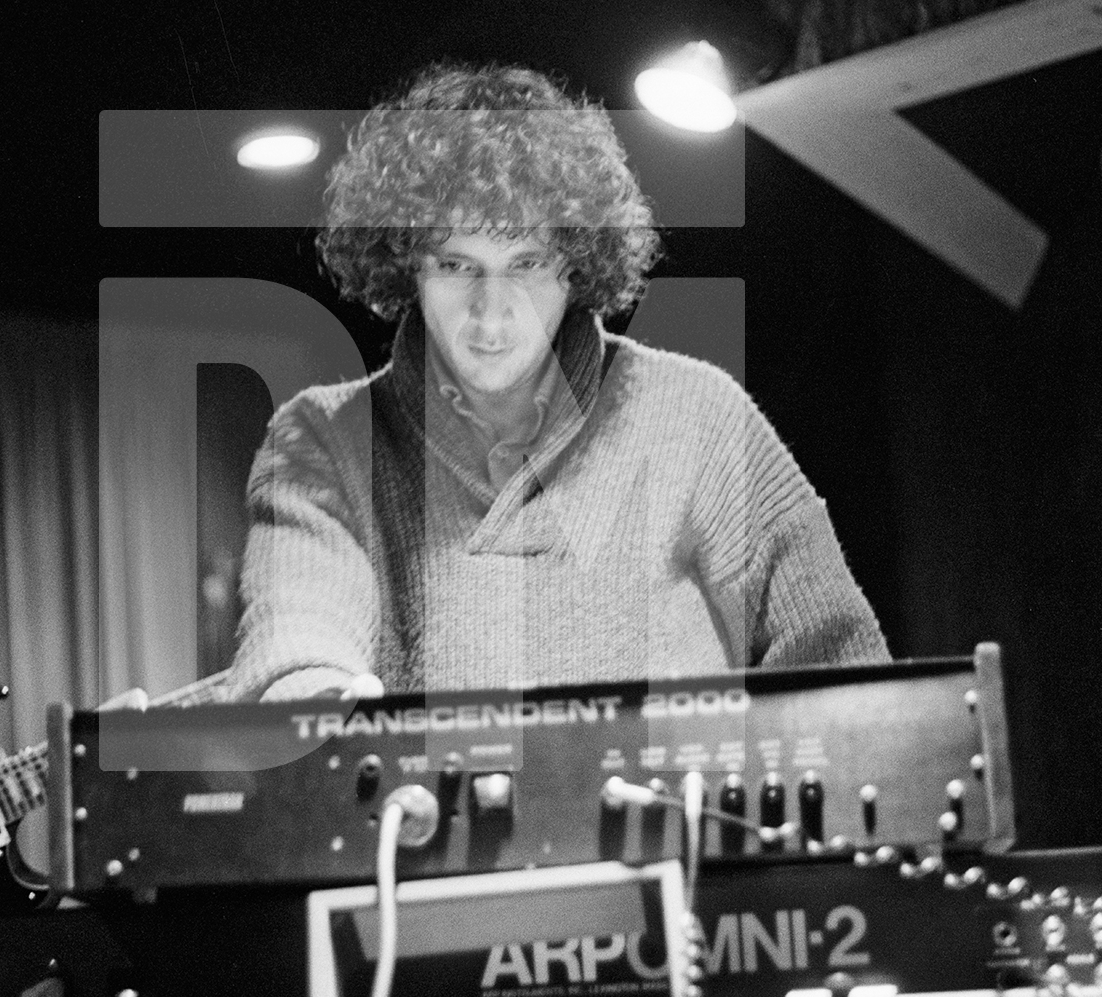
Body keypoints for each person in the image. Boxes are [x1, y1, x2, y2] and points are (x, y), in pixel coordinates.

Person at [227, 64, 890, 702]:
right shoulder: (322, 442)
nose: (492, 310)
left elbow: (851, 688)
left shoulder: (698, 417)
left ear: (575, 266)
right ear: (405, 264)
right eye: (457, 263)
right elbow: (295, 650)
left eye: (527, 262)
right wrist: (320, 721)